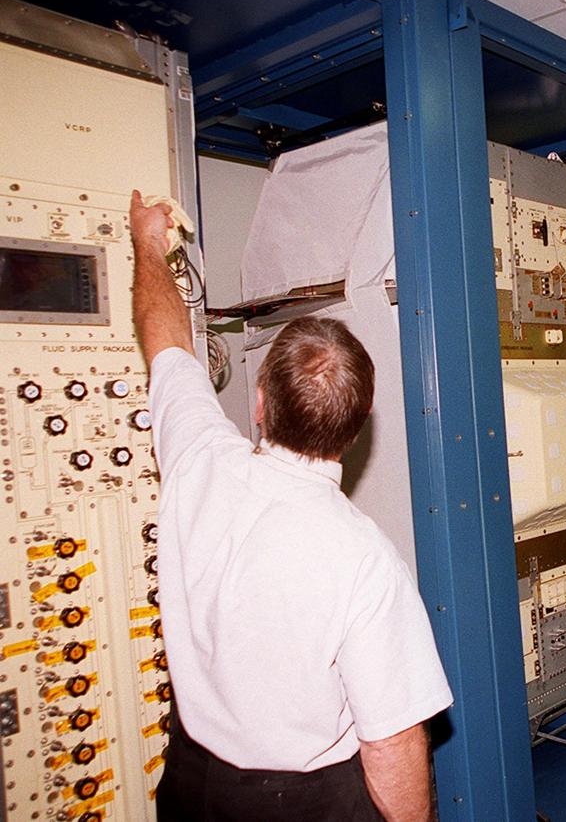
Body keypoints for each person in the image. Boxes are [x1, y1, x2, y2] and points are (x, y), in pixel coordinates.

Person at [129, 193, 452, 821]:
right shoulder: (363, 557)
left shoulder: (198, 461)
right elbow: (390, 740)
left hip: (192, 783)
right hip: (304, 801)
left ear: (258, 401)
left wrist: (148, 242)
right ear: (358, 428)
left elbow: (164, 340)